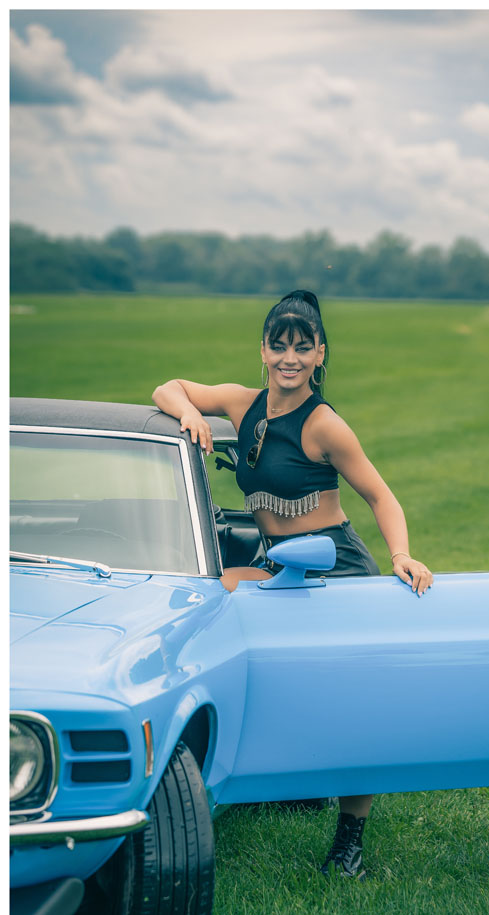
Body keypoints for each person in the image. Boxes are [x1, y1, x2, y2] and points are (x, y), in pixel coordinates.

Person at [152, 289, 433, 879]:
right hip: (283, 567)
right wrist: (188, 414)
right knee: (215, 602)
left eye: (303, 348)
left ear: (319, 355)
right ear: (263, 350)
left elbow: (380, 496)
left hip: (335, 570)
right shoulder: (242, 403)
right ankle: (278, 778)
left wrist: (402, 554)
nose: (290, 358)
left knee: (351, 702)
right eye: (279, 346)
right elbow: (168, 387)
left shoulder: (325, 425)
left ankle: (350, 840)